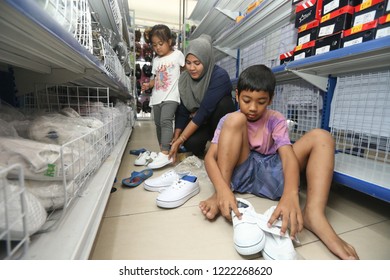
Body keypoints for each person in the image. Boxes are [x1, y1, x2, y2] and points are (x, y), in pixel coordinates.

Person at [199, 64, 359, 260]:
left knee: (322, 137)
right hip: (238, 172)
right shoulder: (229, 119)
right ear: (237, 94)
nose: (252, 108)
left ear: (271, 99)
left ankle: (314, 214)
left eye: (261, 102)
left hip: (271, 174)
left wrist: (291, 193)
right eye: (246, 100)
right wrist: (222, 189)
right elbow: (209, 157)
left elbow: (287, 155)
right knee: (235, 120)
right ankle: (220, 195)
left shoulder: (276, 119)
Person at [169, 34, 236, 161]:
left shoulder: (219, 76)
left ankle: (224, 145)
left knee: (224, 104)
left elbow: (205, 111)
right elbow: (182, 111)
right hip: (201, 123)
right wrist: (176, 137)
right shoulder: (184, 79)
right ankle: (204, 145)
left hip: (217, 121)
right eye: (188, 63)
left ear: (206, 60)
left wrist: (181, 139)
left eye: (197, 63)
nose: (191, 68)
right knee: (191, 145)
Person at [141, 24, 185, 168]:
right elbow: (155, 79)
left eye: (161, 44)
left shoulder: (177, 55)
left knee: (166, 121)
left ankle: (165, 153)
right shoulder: (156, 60)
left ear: (170, 42)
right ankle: (163, 151)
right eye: (154, 45)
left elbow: (185, 72)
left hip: (172, 95)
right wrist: (149, 84)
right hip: (157, 97)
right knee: (158, 124)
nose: (158, 48)